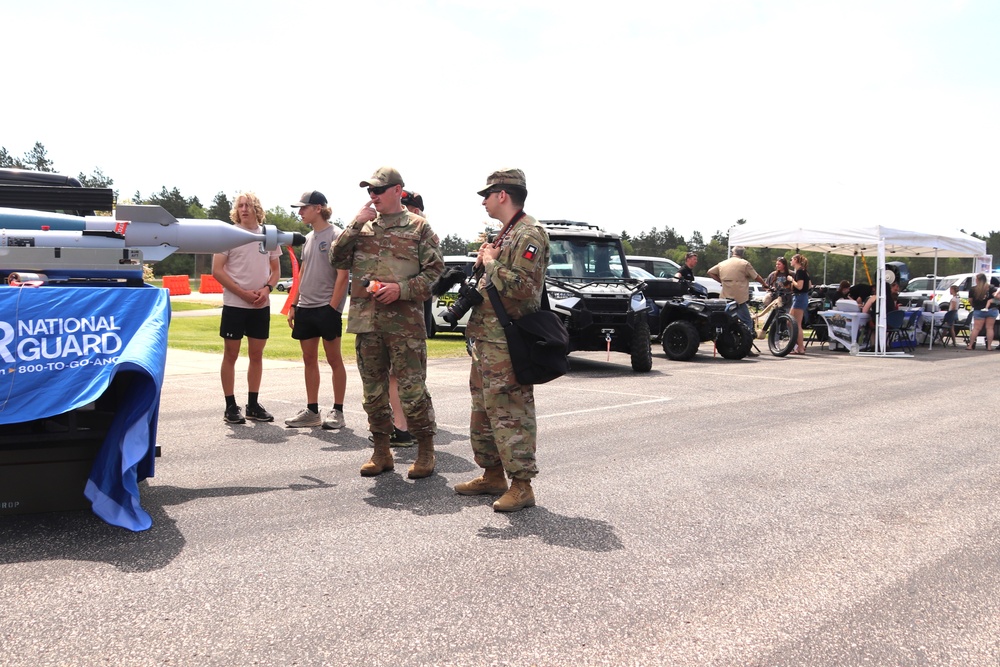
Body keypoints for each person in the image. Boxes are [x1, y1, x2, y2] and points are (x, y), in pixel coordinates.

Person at [330, 166, 444, 478]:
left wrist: (401, 290)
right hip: (367, 323)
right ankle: (381, 452)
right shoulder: (363, 227)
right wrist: (355, 224)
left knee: (412, 390)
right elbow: (336, 259)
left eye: (379, 190)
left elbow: (435, 272)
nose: (373, 195)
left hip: (404, 326)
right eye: (370, 191)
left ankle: (425, 452)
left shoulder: (419, 227)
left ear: (397, 190)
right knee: (373, 392)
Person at [453, 168, 550, 513]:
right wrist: (486, 261)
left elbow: (524, 287)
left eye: (487, 194)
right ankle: (492, 474)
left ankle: (521, 486)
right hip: (486, 340)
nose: (484, 200)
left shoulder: (529, 234)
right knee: (483, 409)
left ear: (503, 195)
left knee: (511, 410)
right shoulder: (506, 234)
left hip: (507, 342)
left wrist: (492, 264)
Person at [212, 192, 282, 424]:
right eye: (240, 205)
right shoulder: (227, 235)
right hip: (234, 304)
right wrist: (242, 293)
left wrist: (267, 289)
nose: (244, 209)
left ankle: (253, 404)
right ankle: (231, 405)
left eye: (248, 205)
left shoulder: (268, 234)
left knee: (256, 355)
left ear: (256, 209)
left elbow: (276, 270)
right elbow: (217, 271)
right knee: (231, 354)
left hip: (260, 306)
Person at [283, 190, 350, 429]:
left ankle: (338, 412)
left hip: (327, 308)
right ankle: (312, 411)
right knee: (309, 359)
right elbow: (301, 274)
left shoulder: (337, 235)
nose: (300, 212)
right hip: (305, 307)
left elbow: (343, 275)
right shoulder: (308, 238)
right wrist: (294, 304)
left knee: (334, 360)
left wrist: (333, 309)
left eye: (304, 207)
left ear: (318, 208)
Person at [367, 188, 428, 446]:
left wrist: (401, 289)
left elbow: (432, 277)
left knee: (411, 379)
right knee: (392, 376)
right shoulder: (378, 229)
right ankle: (401, 426)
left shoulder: (421, 231)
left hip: (409, 319)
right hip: (380, 319)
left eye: (408, 206)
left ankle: (412, 430)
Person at [707, 246, 768, 353]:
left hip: (725, 298)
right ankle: (746, 346)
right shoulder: (745, 264)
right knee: (747, 322)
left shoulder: (723, 263)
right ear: (742, 254)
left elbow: (710, 272)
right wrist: (764, 284)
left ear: (732, 253)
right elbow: (756, 276)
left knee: (727, 321)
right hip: (739, 299)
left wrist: (721, 281)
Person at [965, 273, 997, 351]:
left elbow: (970, 300)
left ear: (978, 280)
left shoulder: (973, 289)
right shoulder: (991, 287)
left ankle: (970, 345)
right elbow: (996, 296)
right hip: (991, 309)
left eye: (976, 279)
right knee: (989, 328)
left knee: (976, 328)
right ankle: (989, 347)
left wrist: (974, 306)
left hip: (978, 310)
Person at [788, 253, 811, 354]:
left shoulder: (800, 272)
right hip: (802, 297)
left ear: (796, 260)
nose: (790, 261)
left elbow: (800, 286)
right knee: (789, 322)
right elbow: (810, 285)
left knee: (796, 323)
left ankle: (800, 348)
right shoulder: (804, 271)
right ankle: (797, 346)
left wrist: (791, 280)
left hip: (799, 297)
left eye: (791, 259)